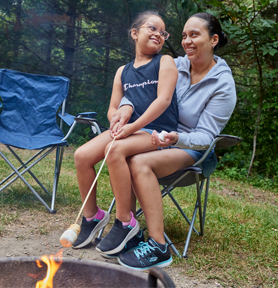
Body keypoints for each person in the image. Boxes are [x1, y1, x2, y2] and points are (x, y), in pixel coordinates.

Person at [111, 12, 237, 270]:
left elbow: (206, 136)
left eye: (194, 35)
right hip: (155, 136)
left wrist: (177, 137)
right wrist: (124, 105)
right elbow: (136, 85)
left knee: (140, 163)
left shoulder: (223, 84)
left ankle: (158, 246)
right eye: (184, 36)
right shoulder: (172, 64)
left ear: (213, 40)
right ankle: (128, 229)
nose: (187, 41)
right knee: (123, 152)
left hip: (194, 149)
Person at [72, 11, 179, 258]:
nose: (158, 34)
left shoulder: (165, 62)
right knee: (81, 155)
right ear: (134, 33)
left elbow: (162, 101)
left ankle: (125, 222)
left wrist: (131, 127)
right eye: (152, 28)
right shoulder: (123, 71)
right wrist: (118, 119)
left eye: (163, 32)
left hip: (156, 132)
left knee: (115, 149)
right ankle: (92, 217)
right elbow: (112, 108)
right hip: (130, 130)